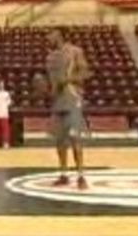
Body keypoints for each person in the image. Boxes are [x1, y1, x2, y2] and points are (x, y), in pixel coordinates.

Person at [43, 27, 91, 190]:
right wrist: (46, 90)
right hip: (57, 101)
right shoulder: (49, 57)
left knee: (75, 139)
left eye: (51, 33)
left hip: (72, 98)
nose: (48, 37)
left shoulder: (75, 52)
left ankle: (81, 176)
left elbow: (85, 73)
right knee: (60, 141)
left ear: (60, 35)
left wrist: (68, 79)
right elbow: (52, 84)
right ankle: (63, 174)